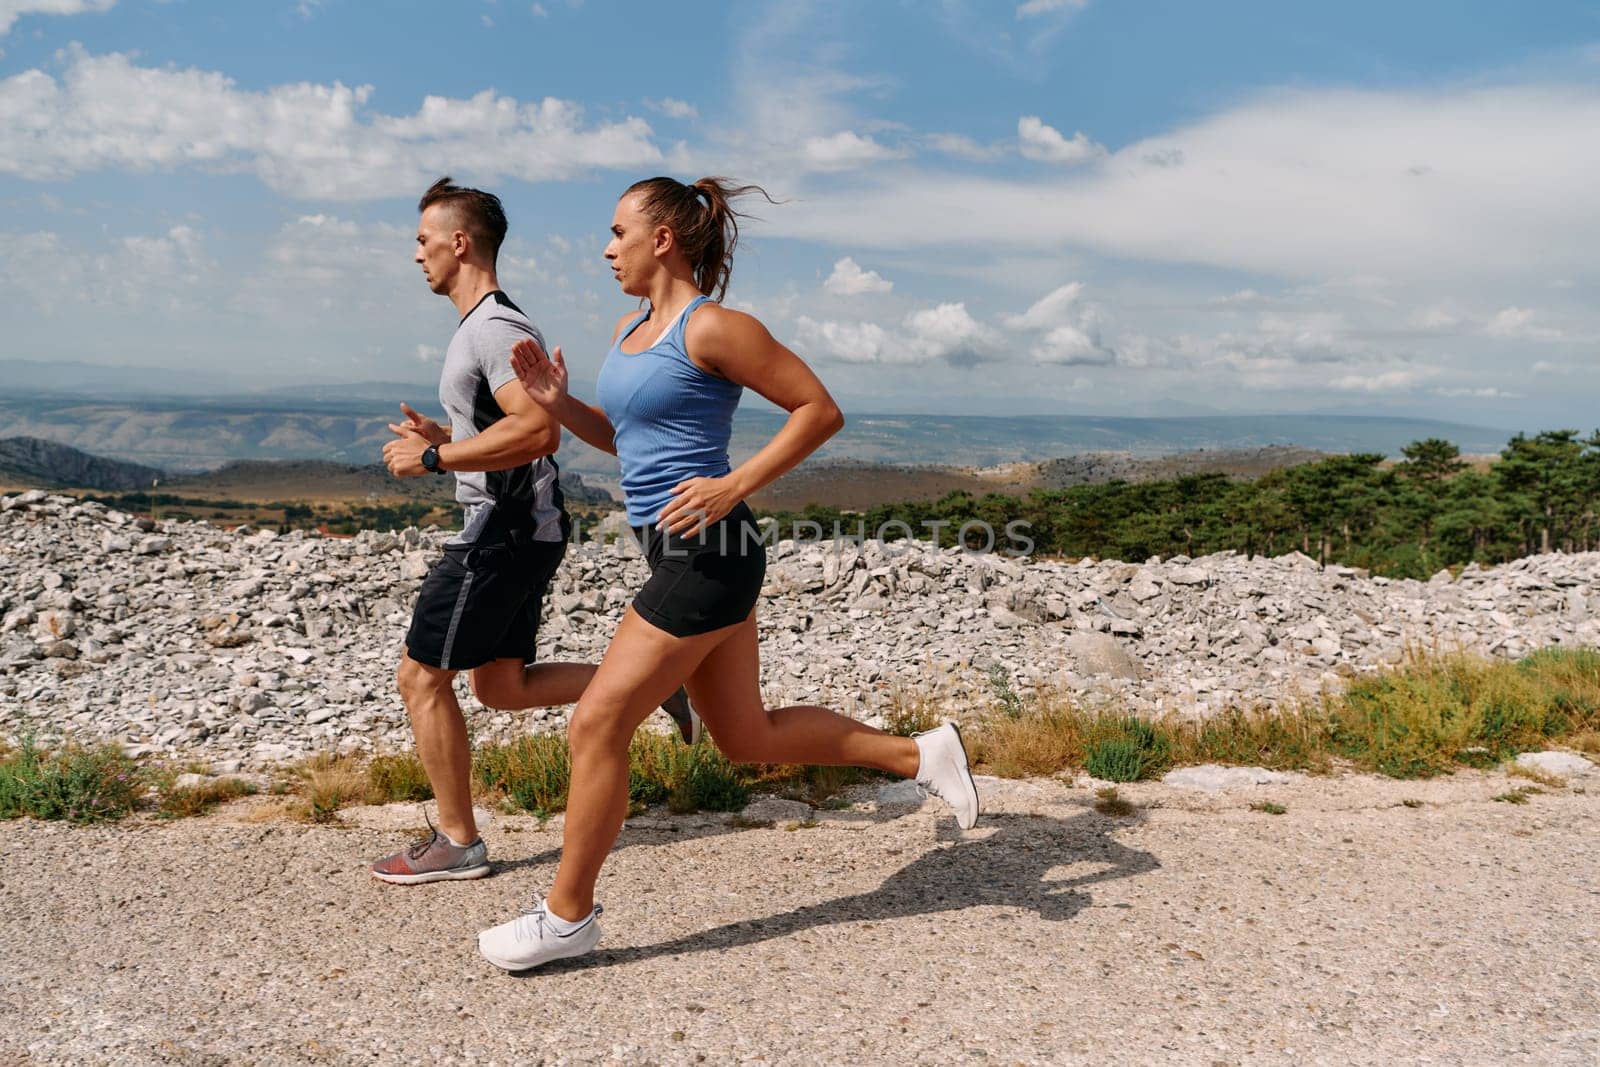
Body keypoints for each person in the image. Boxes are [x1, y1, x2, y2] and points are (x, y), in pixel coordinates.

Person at [476, 175, 979, 971]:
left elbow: (819, 409)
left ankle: (567, 913)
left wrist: (733, 483)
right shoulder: (632, 328)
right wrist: (559, 404)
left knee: (597, 721)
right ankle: (923, 756)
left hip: (713, 554)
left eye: (616, 231)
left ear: (663, 239)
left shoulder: (715, 328)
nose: (606, 248)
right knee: (748, 736)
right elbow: (631, 443)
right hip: (672, 545)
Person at [372, 176, 695, 886]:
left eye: (424, 240)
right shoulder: (483, 325)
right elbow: (505, 424)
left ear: (460, 243)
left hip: (504, 529)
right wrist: (449, 433)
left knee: (421, 675)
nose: (415, 254)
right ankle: (659, 683)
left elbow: (537, 428)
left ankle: (457, 841)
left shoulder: (494, 327)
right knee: (502, 686)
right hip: (523, 526)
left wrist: (434, 456)